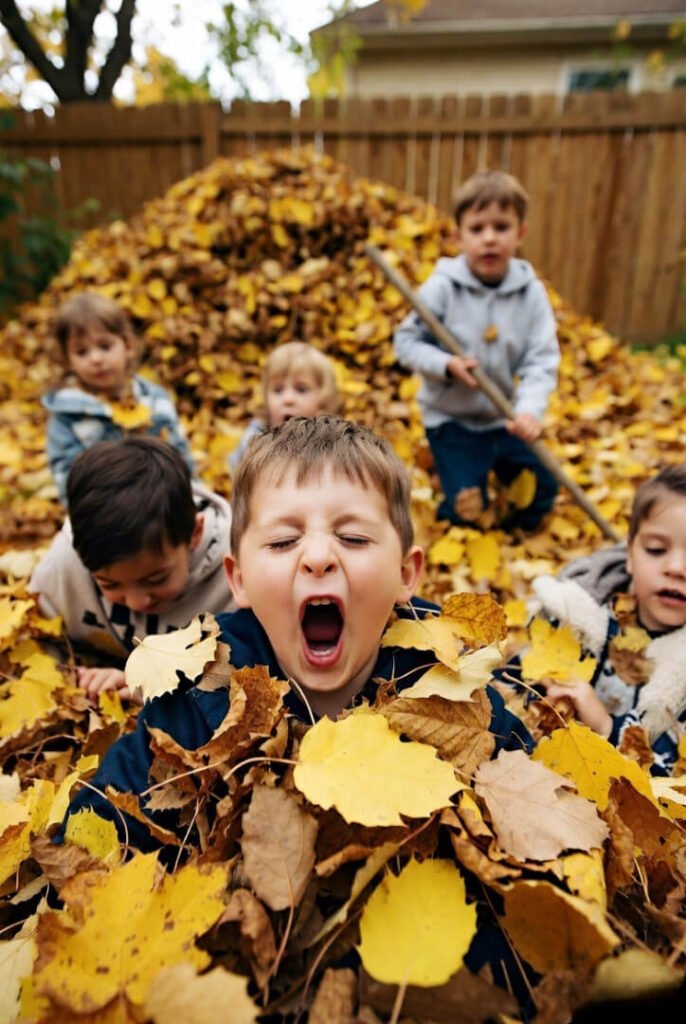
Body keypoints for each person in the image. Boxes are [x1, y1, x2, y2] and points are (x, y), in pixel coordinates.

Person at [62, 415, 536, 1013]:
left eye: (355, 539)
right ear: (237, 579)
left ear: (406, 576)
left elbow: (525, 824)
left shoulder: (448, 682)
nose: (317, 556)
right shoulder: (202, 679)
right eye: (284, 542)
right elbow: (104, 818)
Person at [393, 169, 560, 532]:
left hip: (503, 420)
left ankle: (508, 527)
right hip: (452, 421)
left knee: (544, 489)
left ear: (521, 233)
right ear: (458, 235)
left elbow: (541, 360)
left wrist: (529, 411)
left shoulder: (531, 294)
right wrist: (446, 364)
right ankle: (457, 493)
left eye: (501, 227)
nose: (489, 239)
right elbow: (405, 343)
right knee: (466, 507)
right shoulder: (442, 288)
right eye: (477, 228)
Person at [29, 436, 235, 701]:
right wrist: (73, 678)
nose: (137, 602)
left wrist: (152, 691)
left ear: (193, 535)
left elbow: (247, 671)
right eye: (109, 584)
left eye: (155, 578)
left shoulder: (238, 570)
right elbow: (36, 639)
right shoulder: (64, 563)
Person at [519, 462, 686, 775]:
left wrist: (607, 726)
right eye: (655, 549)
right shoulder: (578, 615)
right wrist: (535, 692)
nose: (676, 568)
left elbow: (676, 775)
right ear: (630, 555)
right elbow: (517, 672)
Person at [44, 291, 194, 503]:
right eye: (82, 352)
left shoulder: (155, 400)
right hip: (106, 513)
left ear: (128, 345)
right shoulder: (66, 417)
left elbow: (180, 454)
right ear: (68, 360)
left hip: (164, 503)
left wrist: (190, 495)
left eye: (105, 346)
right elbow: (67, 481)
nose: (96, 359)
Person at [228, 340, 339, 473]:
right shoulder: (254, 441)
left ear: (323, 397)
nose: (288, 399)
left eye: (301, 389)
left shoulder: (333, 445)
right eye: (278, 390)